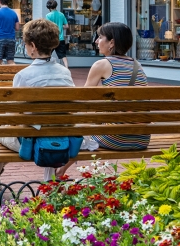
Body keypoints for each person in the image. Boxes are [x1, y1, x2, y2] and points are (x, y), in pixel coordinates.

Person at [0, 19, 75, 188]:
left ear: (33, 46)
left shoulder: (24, 75)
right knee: (14, 129)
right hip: (59, 137)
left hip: (29, 142)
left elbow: (15, 114)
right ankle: (48, 183)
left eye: (26, 43)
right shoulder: (65, 73)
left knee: (0, 130)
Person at [55, 22, 148, 177]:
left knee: (83, 126)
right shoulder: (138, 66)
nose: (96, 41)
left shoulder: (101, 64)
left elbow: (83, 102)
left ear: (111, 42)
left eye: (100, 37)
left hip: (116, 138)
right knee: (91, 123)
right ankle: (61, 171)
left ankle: (59, 171)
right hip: (141, 138)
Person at [45, 0, 69, 68]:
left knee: (47, 54)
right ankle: (67, 69)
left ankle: (47, 68)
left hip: (52, 39)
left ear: (49, 7)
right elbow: (67, 26)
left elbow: (48, 28)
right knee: (63, 56)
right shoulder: (61, 15)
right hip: (60, 38)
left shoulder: (48, 15)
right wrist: (60, 26)